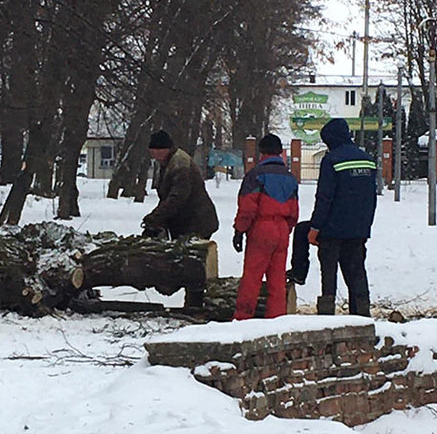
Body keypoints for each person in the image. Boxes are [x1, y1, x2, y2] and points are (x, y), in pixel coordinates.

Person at [308, 118, 378, 316]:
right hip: (358, 230)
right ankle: (362, 318)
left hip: (332, 230)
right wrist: (365, 226)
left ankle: (327, 319)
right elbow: (370, 198)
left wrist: (315, 227)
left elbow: (324, 197)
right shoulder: (367, 159)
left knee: (329, 278)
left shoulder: (332, 160)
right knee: (357, 275)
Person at [142, 129, 219, 307]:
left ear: (164, 149)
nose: (152, 154)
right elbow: (167, 198)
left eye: (154, 150)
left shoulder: (180, 164)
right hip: (186, 222)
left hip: (197, 221)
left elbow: (177, 197)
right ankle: (193, 302)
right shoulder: (168, 163)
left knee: (193, 264)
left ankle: (195, 305)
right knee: (187, 262)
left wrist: (156, 217)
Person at [232, 134, 299, 320]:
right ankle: (276, 323)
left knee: (252, 279)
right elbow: (294, 211)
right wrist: (286, 228)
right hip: (282, 230)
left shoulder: (255, 175)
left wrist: (239, 230)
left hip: (262, 229)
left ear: (261, 152)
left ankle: (242, 320)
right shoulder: (290, 177)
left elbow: (248, 207)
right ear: (280, 152)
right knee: (277, 281)